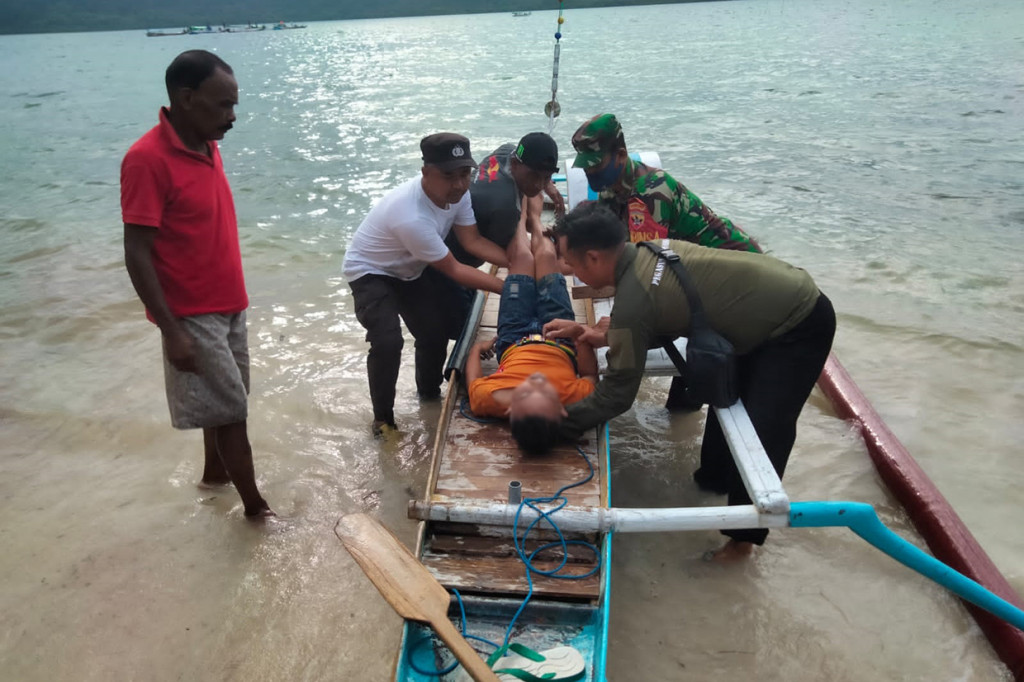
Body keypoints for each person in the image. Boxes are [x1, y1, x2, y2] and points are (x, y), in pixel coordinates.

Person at [543, 202, 836, 561]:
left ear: (593, 258)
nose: (570, 272)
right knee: (725, 399)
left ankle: (742, 544)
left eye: (570, 264)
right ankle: (712, 482)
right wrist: (599, 334)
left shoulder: (635, 298)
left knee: (764, 427)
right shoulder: (644, 251)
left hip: (799, 320)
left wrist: (557, 422)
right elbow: (651, 320)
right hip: (761, 308)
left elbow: (617, 396)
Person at [121, 50, 272, 518]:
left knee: (225, 402)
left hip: (230, 303)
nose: (232, 117)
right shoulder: (146, 160)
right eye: (222, 105)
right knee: (232, 410)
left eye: (235, 104)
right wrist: (171, 329)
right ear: (186, 99)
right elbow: (137, 252)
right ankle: (257, 511)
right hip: (191, 312)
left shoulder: (208, 145)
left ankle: (214, 477)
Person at [571, 113, 763, 411]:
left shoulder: (650, 191)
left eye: (596, 164)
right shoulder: (614, 188)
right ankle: (682, 411)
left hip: (734, 275)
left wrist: (617, 330)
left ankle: (687, 413)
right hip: (691, 275)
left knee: (715, 371)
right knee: (679, 364)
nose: (590, 172)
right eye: (586, 166)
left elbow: (643, 272)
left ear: (620, 155)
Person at [343, 133, 507, 438]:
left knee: (432, 332)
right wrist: (509, 289)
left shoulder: (459, 194)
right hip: (370, 271)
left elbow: (473, 242)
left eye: (464, 174)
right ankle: (383, 421)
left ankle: (428, 398)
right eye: (448, 176)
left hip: (410, 267)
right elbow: (455, 270)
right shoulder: (411, 216)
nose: (459, 184)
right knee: (388, 342)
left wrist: (519, 266)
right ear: (425, 173)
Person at [464, 211, 597, 455]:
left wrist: (476, 349)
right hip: (560, 335)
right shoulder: (576, 398)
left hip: (514, 335)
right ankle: (535, 221)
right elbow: (589, 374)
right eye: (544, 391)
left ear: (510, 411)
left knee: (522, 257)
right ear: (561, 410)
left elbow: (473, 384)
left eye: (524, 392)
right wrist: (578, 334)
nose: (535, 380)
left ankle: (521, 208)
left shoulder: (489, 400)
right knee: (546, 255)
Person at [446, 131, 565, 268]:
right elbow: (514, 251)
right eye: (534, 176)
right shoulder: (505, 207)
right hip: (456, 259)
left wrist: (548, 185)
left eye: (547, 177)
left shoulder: (506, 151)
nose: (539, 185)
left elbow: (519, 154)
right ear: (514, 164)